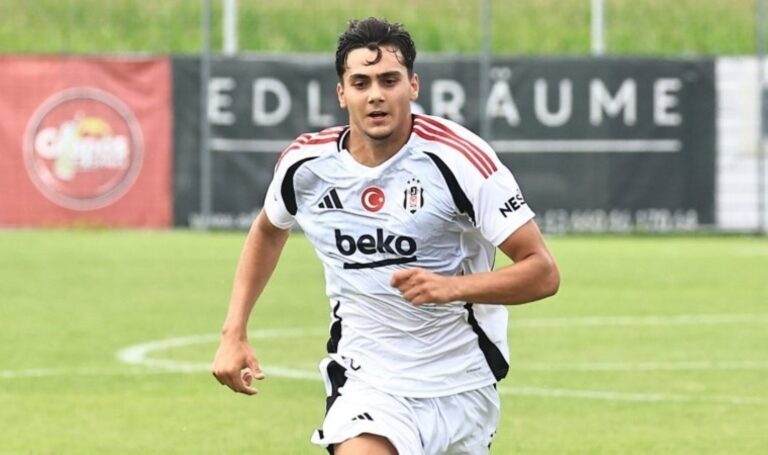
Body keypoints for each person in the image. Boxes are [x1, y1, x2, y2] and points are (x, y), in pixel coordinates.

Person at [212, 17, 560, 455]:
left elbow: (542, 272)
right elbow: (268, 229)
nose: (375, 94)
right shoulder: (306, 167)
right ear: (342, 93)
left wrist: (452, 288)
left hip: (463, 385)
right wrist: (233, 332)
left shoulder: (459, 160)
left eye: (389, 80)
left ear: (412, 86)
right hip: (368, 382)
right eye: (360, 83)